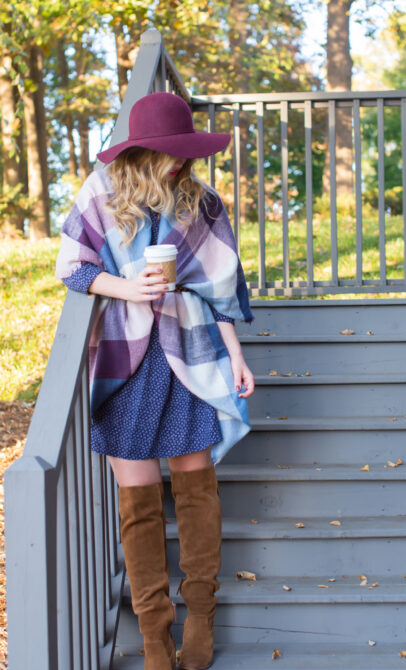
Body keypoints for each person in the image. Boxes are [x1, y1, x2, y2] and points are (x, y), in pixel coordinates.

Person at [55, 91, 255, 670]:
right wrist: (126, 288)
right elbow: (71, 267)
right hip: (124, 355)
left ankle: (202, 621)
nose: (178, 163)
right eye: (168, 152)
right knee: (138, 503)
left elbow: (221, 291)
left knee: (196, 487)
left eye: (184, 152)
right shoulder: (101, 193)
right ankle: (154, 637)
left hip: (190, 351)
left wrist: (237, 357)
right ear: (140, 150)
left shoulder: (204, 202)